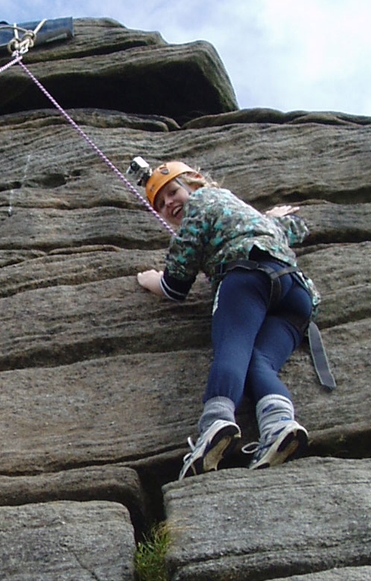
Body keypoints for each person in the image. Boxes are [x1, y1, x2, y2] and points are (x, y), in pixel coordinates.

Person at [132, 160, 318, 480]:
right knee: (258, 361)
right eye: (161, 205)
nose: (170, 203)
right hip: (296, 294)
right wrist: (269, 218)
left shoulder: (201, 205)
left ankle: (215, 425)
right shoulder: (238, 207)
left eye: (174, 192)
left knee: (232, 347)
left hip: (247, 277)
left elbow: (175, 287)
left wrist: (151, 280)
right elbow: (298, 229)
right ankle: (279, 426)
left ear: (195, 184)